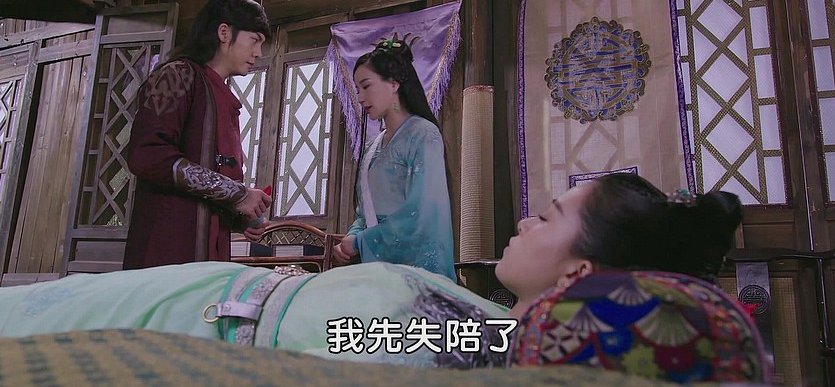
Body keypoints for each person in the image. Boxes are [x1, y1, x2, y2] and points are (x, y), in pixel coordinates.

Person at [0, 174, 766, 381]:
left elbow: (341, 343)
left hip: (209, 319)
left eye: (548, 216)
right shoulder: (487, 324)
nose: (525, 219)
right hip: (218, 295)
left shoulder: (485, 345)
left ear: (581, 271)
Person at [124, 0, 273, 269]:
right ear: (224, 32)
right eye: (254, 40)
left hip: (208, 250)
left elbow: (213, 178)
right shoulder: (178, 75)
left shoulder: (221, 95)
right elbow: (147, 155)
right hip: (168, 246)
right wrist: (236, 193)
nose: (258, 52)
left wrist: (241, 215)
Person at [331, 37, 456, 280]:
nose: (360, 98)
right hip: (375, 265)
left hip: (414, 268)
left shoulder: (423, 134)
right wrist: (352, 237)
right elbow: (364, 213)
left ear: (393, 83)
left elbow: (422, 211)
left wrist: (360, 241)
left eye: (366, 86)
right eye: (357, 90)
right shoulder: (372, 147)